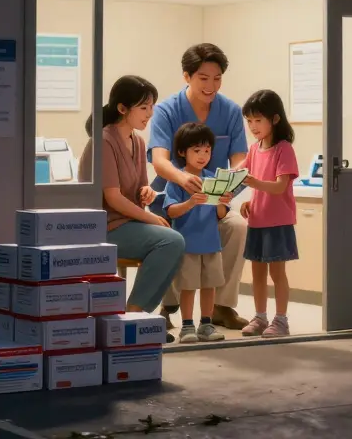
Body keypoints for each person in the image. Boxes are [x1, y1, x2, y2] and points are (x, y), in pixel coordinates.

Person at [149, 43, 250, 330]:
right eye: (203, 78)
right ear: (187, 76)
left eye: (217, 78)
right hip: (175, 196)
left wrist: (228, 187)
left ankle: (221, 306)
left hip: (214, 199)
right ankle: (169, 305)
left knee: (238, 227)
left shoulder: (230, 111)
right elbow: (159, 160)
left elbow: (240, 160)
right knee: (171, 234)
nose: (211, 85)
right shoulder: (167, 110)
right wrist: (183, 180)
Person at [78, 75, 186, 337]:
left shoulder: (137, 141)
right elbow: (113, 198)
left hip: (127, 223)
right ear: (122, 108)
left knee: (174, 239)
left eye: (151, 107)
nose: (150, 113)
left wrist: (147, 193)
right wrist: (151, 219)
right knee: (171, 240)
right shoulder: (104, 140)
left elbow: (140, 188)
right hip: (103, 227)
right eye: (144, 107)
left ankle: (136, 315)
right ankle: (134, 314)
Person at [237, 89, 301, 338]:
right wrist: (248, 199)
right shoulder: (255, 149)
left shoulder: (284, 149)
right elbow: (238, 174)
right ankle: (260, 317)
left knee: (277, 273)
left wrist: (254, 184)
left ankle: (281, 320)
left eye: (258, 120)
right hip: (257, 220)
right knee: (257, 273)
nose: (253, 126)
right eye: (249, 121)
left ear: (274, 119)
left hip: (278, 222)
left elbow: (279, 186)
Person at [163, 123, 229, 343]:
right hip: (188, 244)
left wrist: (222, 201)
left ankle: (206, 325)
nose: (203, 156)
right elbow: (171, 211)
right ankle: (187, 326)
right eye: (197, 150)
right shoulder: (177, 181)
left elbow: (220, 214)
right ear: (183, 152)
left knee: (210, 285)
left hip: (211, 243)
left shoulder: (213, 179)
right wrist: (190, 202)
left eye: (207, 150)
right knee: (188, 286)